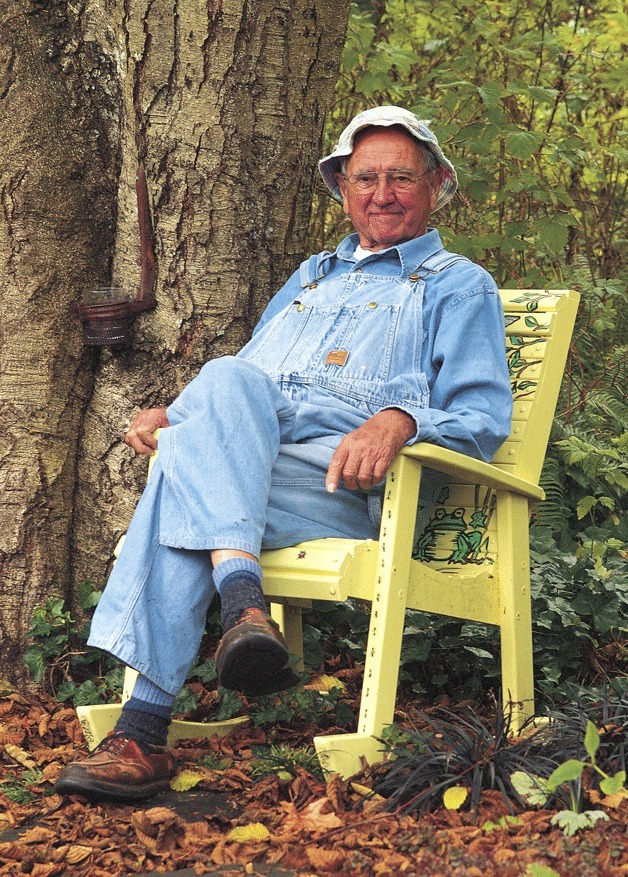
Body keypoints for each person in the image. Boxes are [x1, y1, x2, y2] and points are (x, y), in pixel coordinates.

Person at [55, 106, 513, 801]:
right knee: (222, 385)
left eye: (400, 178)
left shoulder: (456, 282)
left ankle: (142, 728)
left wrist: (397, 420)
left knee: (186, 469)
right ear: (342, 188)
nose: (381, 193)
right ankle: (242, 601)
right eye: (365, 178)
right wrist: (177, 414)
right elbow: (245, 377)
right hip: (254, 461)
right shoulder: (311, 276)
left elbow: (483, 418)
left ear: (437, 185)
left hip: (350, 482)